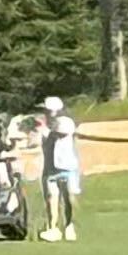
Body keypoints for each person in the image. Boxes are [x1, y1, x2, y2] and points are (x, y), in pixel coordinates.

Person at [36, 94, 83, 242]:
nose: (44, 113)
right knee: (52, 198)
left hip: (67, 167)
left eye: (46, 110)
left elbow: (60, 133)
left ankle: (69, 226)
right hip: (50, 169)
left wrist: (46, 128)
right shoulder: (44, 127)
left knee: (69, 198)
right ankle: (53, 228)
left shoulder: (65, 122)